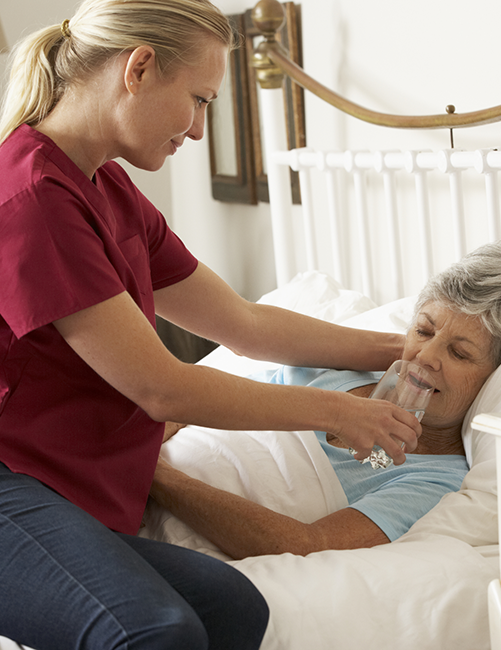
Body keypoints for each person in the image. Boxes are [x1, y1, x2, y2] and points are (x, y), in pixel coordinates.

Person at [0, 1, 422, 648]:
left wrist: (403, 351)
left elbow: (245, 325)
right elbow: (162, 389)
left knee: (234, 610)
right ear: (139, 68)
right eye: (198, 100)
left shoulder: (105, 188)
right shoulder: (33, 196)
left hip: (64, 489)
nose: (198, 131)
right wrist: (337, 412)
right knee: (154, 634)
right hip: (12, 484)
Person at [148, 240, 501, 560]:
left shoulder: (435, 480)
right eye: (424, 331)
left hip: (153, 508)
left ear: (498, 379)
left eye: (460, 353)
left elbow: (304, 545)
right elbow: (202, 400)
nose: (424, 357)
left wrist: (154, 476)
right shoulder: (332, 371)